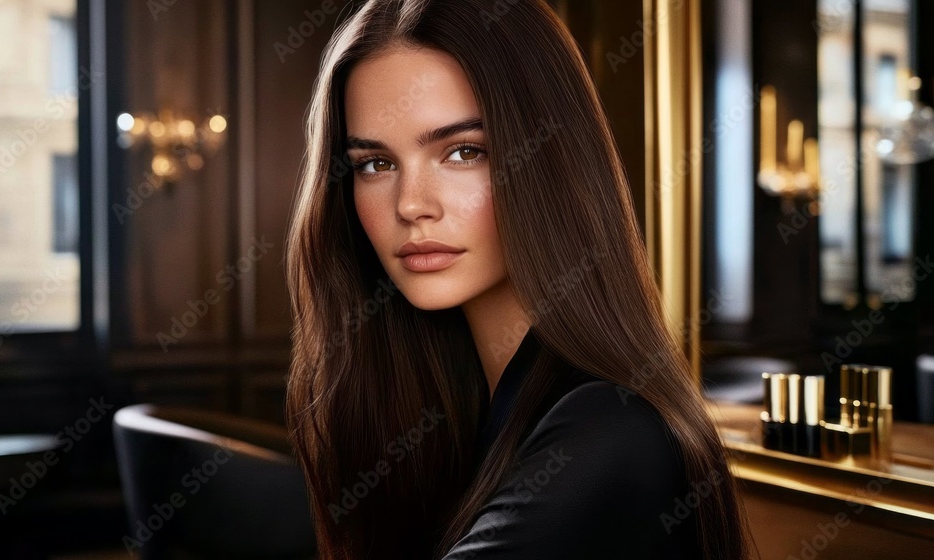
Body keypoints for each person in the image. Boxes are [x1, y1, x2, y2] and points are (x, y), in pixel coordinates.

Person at [284, 1, 753, 558]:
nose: (410, 204)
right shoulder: (440, 413)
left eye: (464, 152)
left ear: (549, 161)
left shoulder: (611, 430)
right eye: (375, 164)